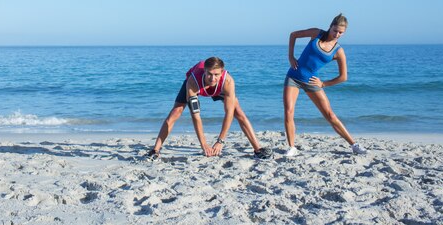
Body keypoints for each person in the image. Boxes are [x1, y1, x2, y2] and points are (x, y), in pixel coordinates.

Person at [147, 57, 272, 159]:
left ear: (222, 72)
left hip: (219, 90)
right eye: (209, 74)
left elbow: (229, 113)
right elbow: (196, 117)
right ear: (205, 71)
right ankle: (155, 150)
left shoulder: (228, 82)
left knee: (238, 112)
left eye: (216, 74)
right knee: (176, 112)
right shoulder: (193, 80)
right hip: (196, 87)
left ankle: (257, 149)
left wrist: (220, 141)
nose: (213, 78)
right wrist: (204, 145)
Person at [283, 14, 367, 156]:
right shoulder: (316, 33)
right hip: (293, 77)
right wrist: (291, 56)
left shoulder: (338, 51)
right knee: (289, 111)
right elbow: (293, 35)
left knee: (330, 115)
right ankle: (292, 147)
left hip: (311, 82)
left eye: (341, 32)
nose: (337, 34)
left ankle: (354, 145)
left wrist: (323, 83)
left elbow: (343, 77)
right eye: (335, 30)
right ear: (330, 27)